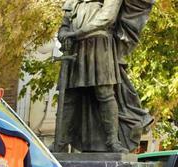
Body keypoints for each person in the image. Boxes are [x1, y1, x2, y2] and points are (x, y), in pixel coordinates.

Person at [52, 0, 153, 152]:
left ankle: (113, 141)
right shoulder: (73, 1)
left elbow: (107, 17)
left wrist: (75, 34)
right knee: (69, 97)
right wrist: (63, 35)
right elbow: (65, 24)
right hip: (75, 48)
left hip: (99, 45)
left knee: (104, 93)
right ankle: (60, 141)